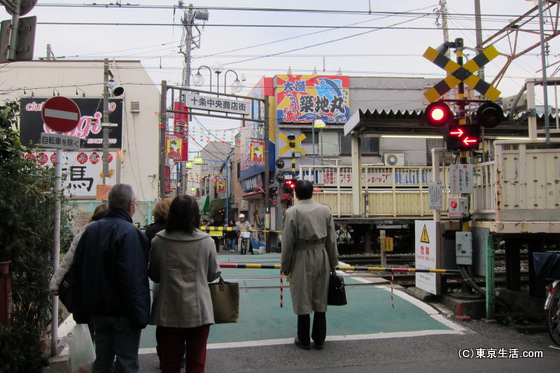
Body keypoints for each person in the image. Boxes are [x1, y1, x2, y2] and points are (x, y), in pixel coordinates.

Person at [71, 184, 150, 373]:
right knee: (126, 362)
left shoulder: (90, 231)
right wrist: (140, 313)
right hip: (124, 311)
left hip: (97, 309)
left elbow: (77, 270)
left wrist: (79, 308)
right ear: (131, 206)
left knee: (102, 359)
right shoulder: (131, 233)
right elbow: (133, 278)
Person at [149, 194, 221, 373]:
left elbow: (154, 276)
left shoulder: (159, 240)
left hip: (168, 310)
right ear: (195, 215)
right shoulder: (206, 241)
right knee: (196, 363)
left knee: (169, 363)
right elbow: (213, 274)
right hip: (199, 310)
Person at [281, 180, 339, 350]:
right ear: (313, 192)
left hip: (300, 255)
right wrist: (333, 261)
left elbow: (288, 242)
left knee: (302, 296)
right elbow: (331, 238)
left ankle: (304, 338)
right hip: (321, 254)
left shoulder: (292, 212)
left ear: (296, 194)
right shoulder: (325, 210)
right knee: (320, 295)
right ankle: (320, 338)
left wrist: (285, 265)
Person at [49, 203, 108, 296]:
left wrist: (55, 283)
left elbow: (67, 260)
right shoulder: (111, 234)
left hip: (83, 285)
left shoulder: (82, 234)